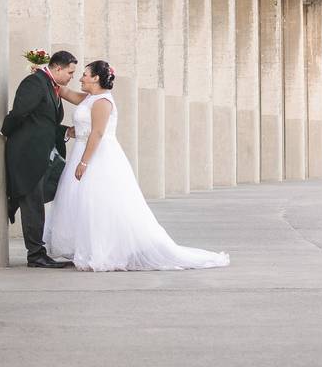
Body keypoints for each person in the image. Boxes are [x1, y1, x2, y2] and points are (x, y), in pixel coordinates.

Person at [46, 60, 230, 271]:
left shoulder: (102, 102)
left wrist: (84, 162)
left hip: (98, 157)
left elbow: (97, 133)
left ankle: (102, 250)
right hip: (82, 150)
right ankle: (86, 248)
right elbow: (65, 93)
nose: (81, 78)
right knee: (82, 202)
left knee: (98, 202)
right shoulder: (90, 98)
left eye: (85, 74)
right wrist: (44, 73)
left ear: (96, 78)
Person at [1, 50, 77, 268]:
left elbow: (43, 122)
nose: (71, 76)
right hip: (27, 154)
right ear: (58, 68)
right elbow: (19, 113)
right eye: (70, 72)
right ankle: (35, 255)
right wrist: (5, 132)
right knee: (33, 203)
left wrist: (65, 131)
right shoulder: (34, 82)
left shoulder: (51, 86)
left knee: (41, 199)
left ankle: (37, 250)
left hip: (41, 153)